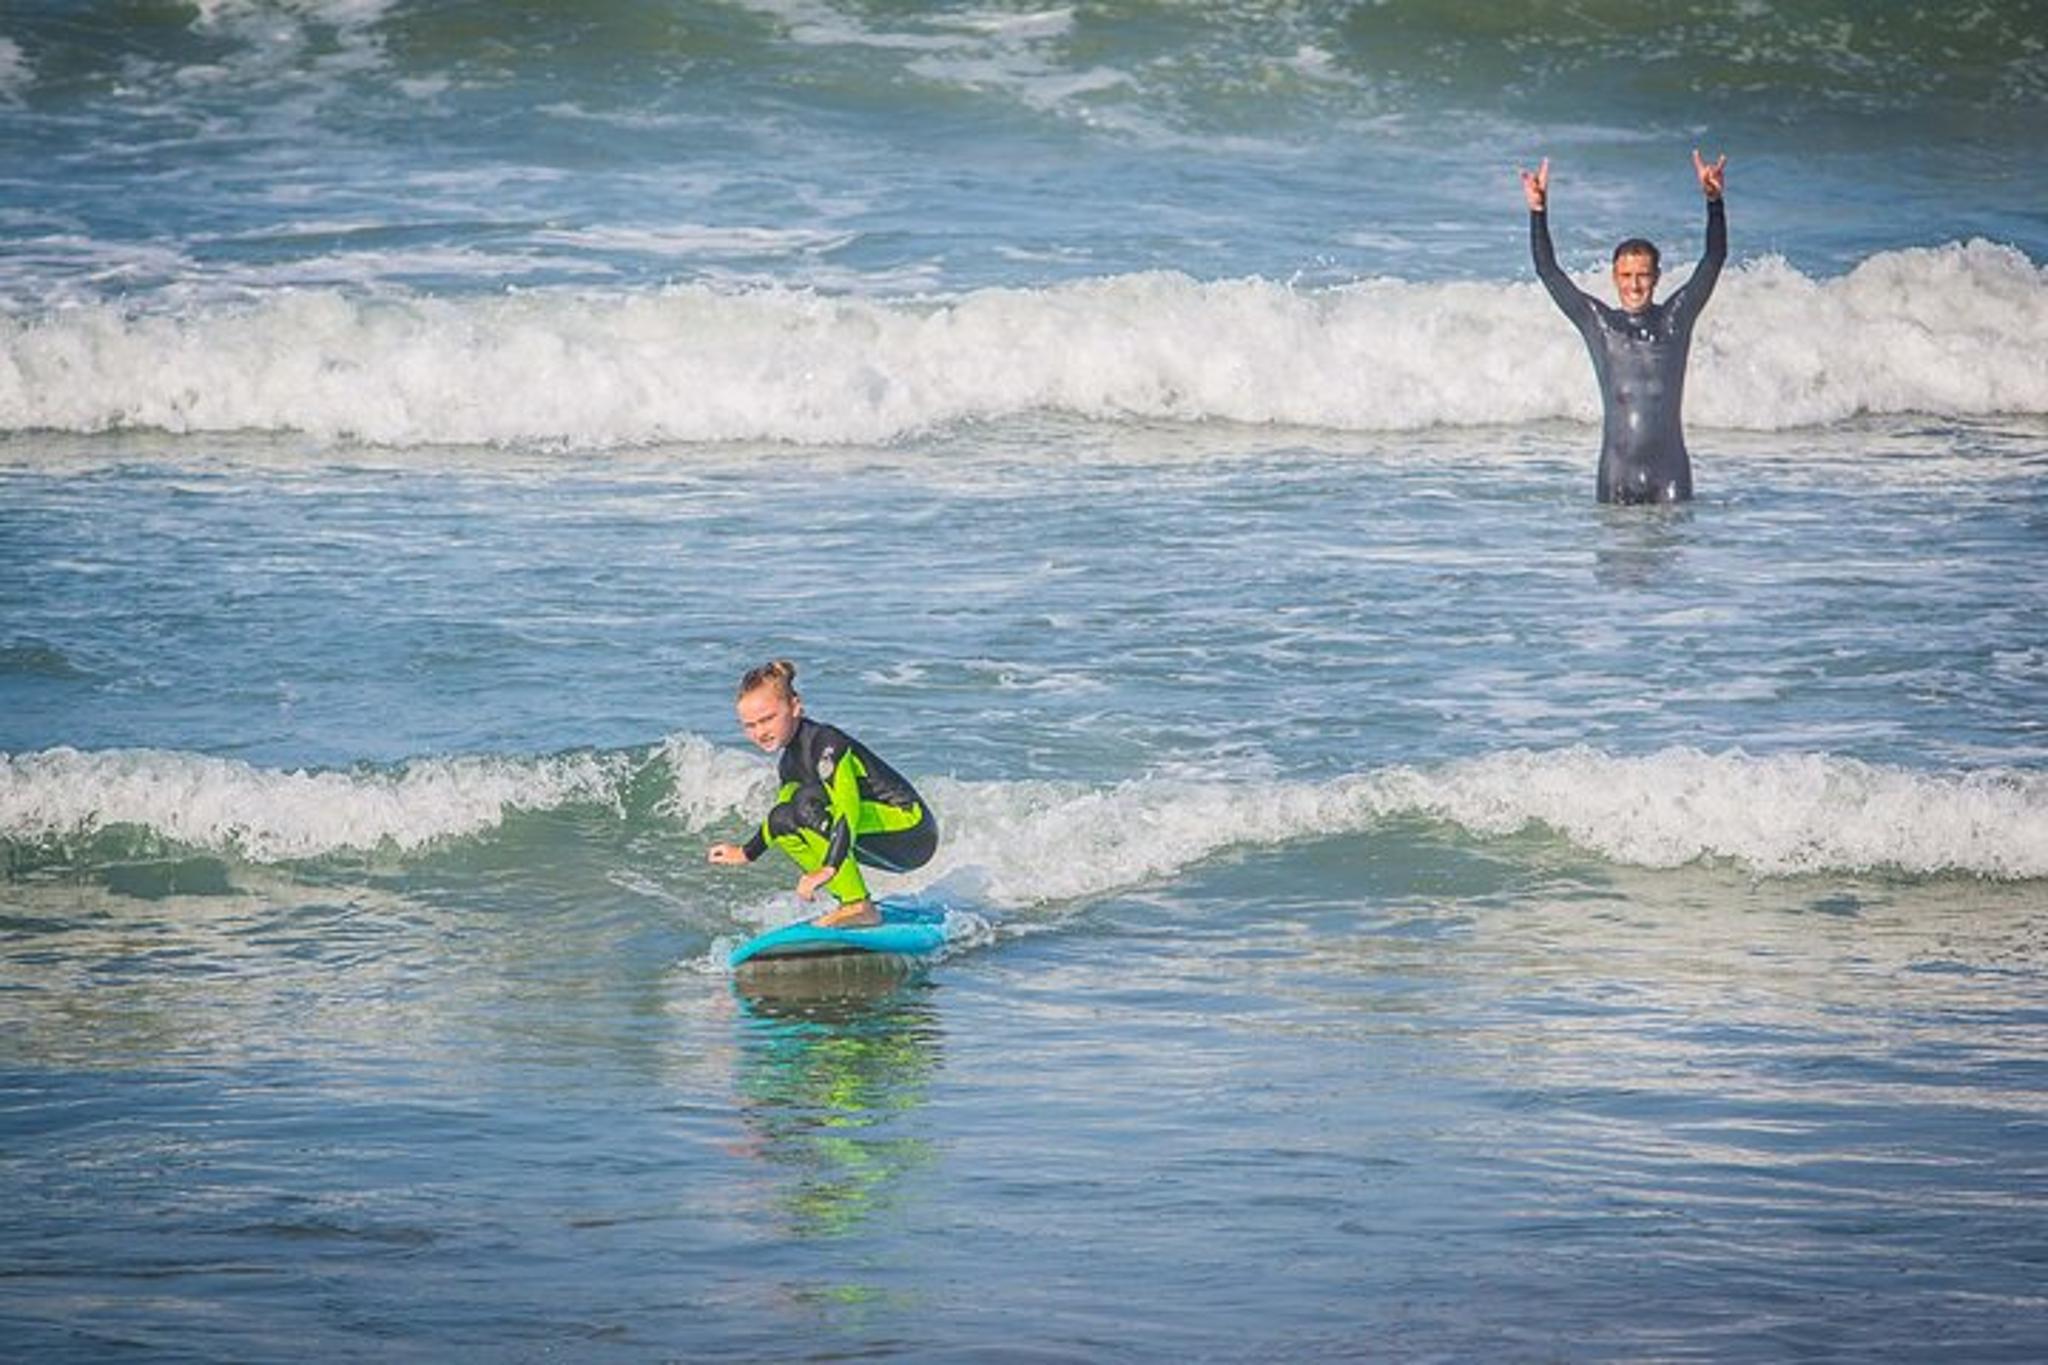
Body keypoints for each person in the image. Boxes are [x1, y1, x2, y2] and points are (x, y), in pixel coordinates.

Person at [1521, 150, 1727, 503]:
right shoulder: (1600, 324)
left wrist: (1714, 201)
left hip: (1671, 474)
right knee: (1613, 556)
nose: (1634, 285)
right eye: (1627, 276)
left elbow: (1713, 259)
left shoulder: (1676, 319)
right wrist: (1538, 212)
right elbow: (1548, 271)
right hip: (1617, 474)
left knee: (1674, 551)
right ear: (1615, 278)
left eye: (1643, 275)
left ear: (1657, 277)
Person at [707, 660, 938, 928]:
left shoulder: (828, 744)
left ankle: (858, 905)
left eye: (768, 719)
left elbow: (848, 809)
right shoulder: (788, 764)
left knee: (807, 803)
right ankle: (849, 903)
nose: (760, 732)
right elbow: (778, 819)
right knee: (784, 817)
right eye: (750, 725)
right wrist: (747, 852)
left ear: (795, 706)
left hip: (912, 833)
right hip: (873, 838)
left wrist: (828, 867)